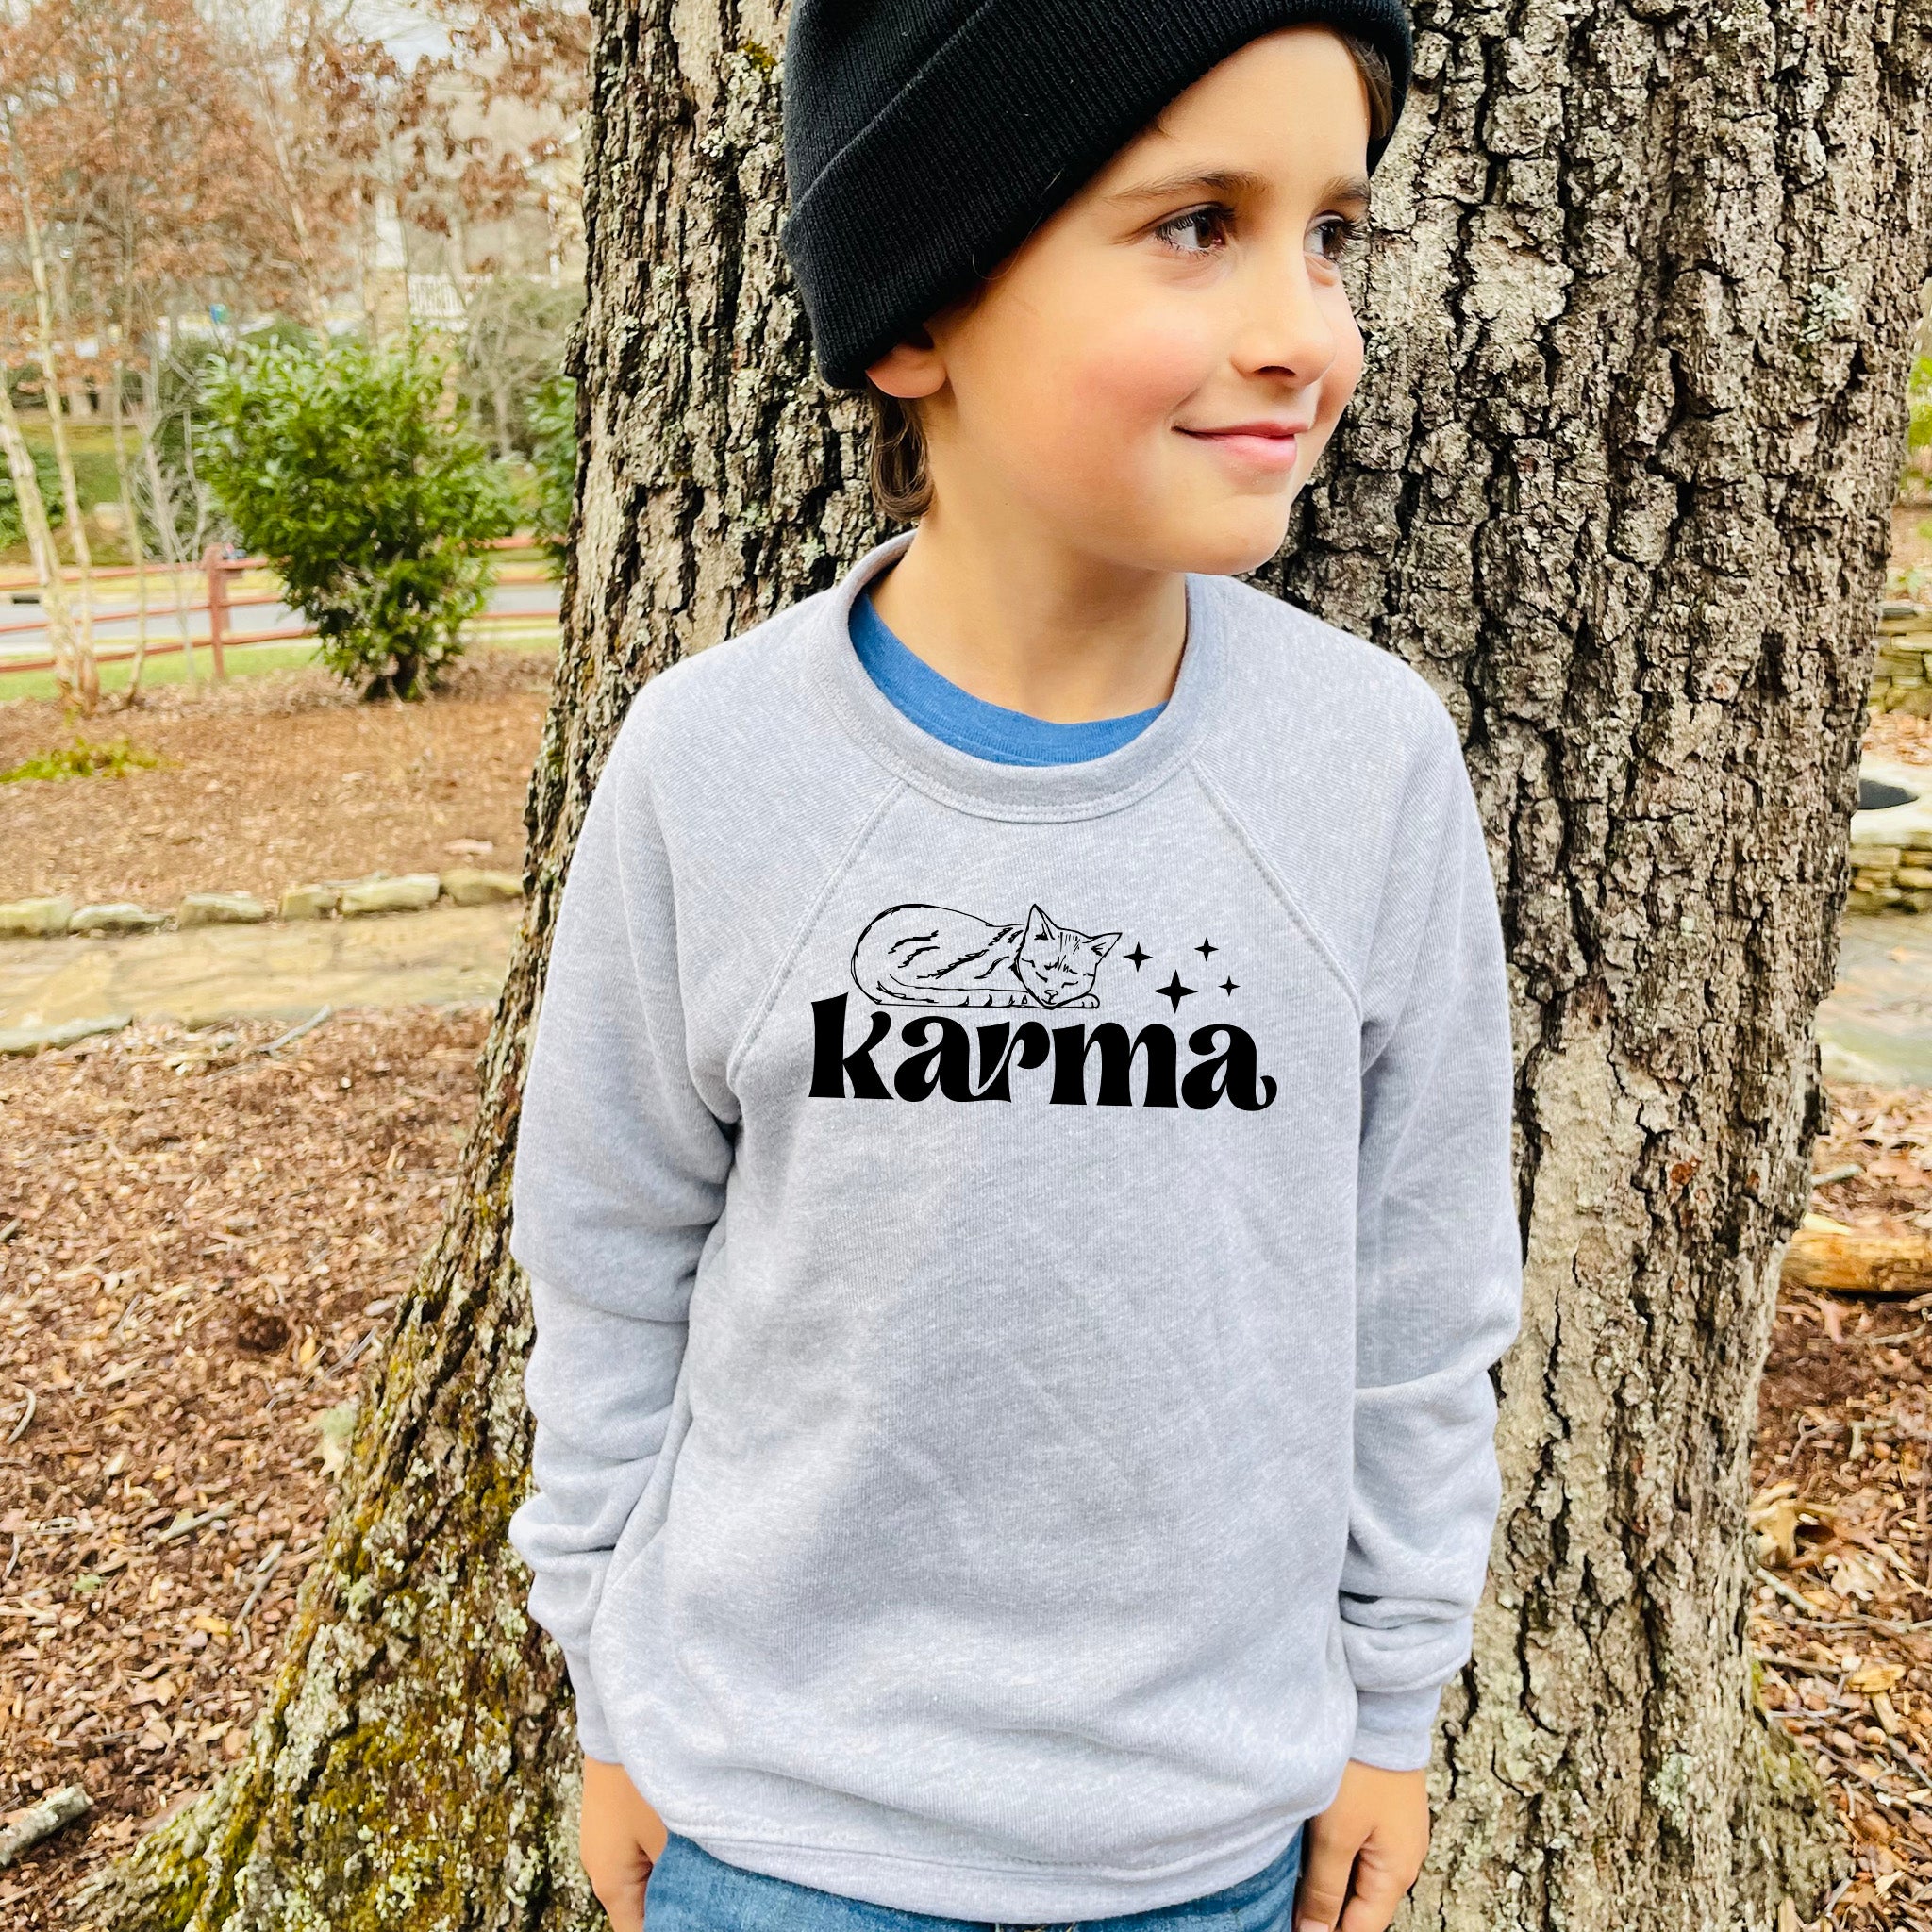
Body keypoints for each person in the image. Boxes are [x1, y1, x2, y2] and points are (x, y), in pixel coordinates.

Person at [507, 2, 1524, 1928]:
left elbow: (1422, 1291)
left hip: (1208, 1842)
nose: (1302, 329)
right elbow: (608, 1250)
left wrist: (1391, 1704)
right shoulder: (713, 769)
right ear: (918, 312)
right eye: (1192, 223)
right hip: (772, 1828)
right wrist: (611, 1685)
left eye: (1331, 232)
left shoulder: (1366, 765)